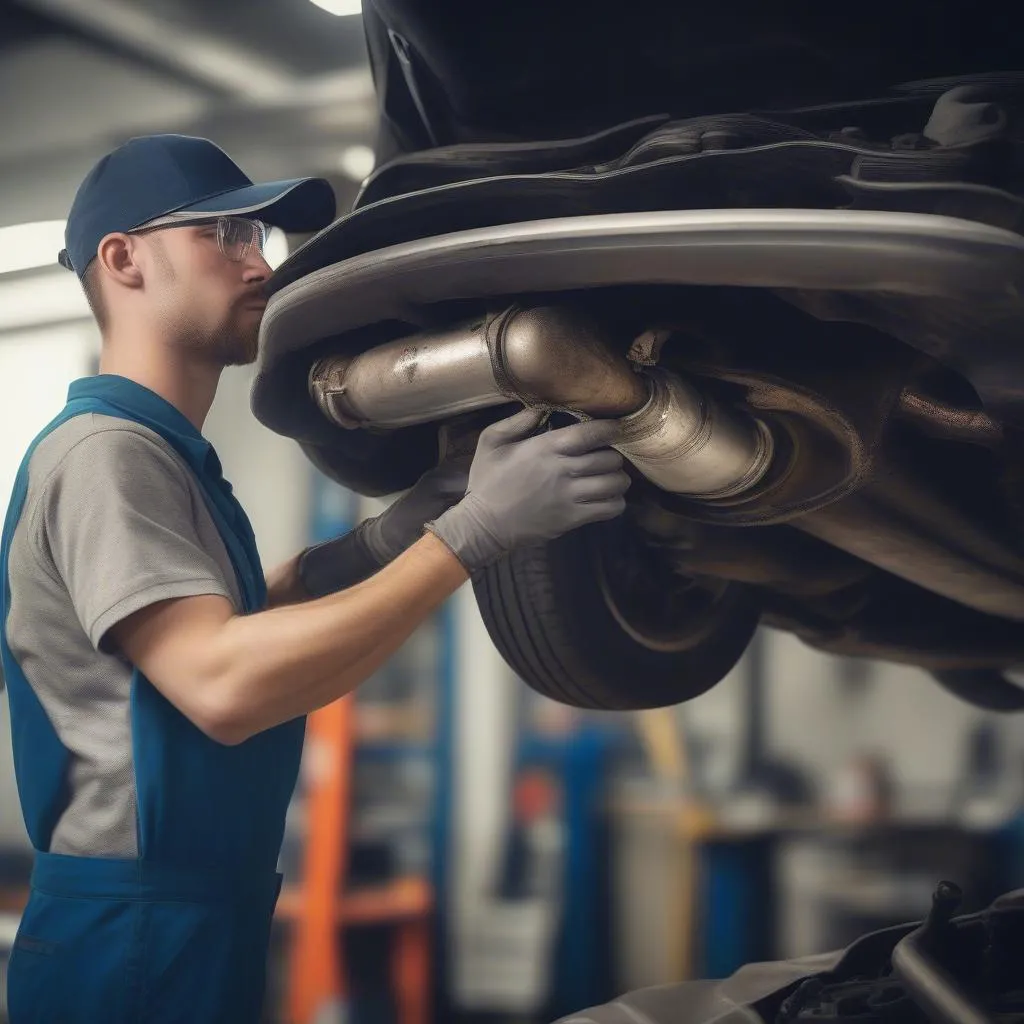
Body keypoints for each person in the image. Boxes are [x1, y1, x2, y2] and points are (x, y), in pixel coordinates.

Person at [0, 134, 631, 1023]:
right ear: (123, 259)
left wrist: (384, 539)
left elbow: (227, 621)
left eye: (258, 237)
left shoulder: (159, 454)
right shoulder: (107, 454)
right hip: (134, 937)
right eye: (222, 233)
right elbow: (220, 682)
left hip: (182, 917)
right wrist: (470, 534)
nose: (259, 261)